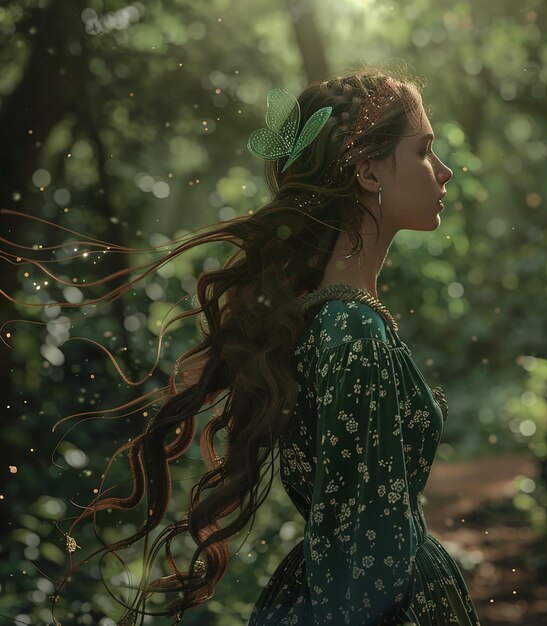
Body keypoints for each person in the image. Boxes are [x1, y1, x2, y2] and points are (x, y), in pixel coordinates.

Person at [1, 63, 480, 625]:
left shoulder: (324, 317)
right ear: (369, 171)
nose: (444, 171)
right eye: (424, 150)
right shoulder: (351, 331)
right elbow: (361, 557)